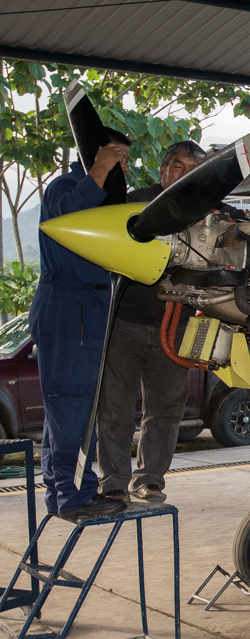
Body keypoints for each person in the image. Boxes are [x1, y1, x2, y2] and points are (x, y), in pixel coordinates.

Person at [97, 140, 205, 506]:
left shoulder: (208, 210)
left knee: (166, 408)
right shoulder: (134, 202)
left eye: (193, 170)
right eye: (177, 166)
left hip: (176, 328)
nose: (183, 175)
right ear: (162, 169)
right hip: (125, 322)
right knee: (115, 407)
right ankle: (113, 481)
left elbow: (239, 231)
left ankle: (150, 481)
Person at [33, 129, 131, 518]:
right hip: (68, 306)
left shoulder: (109, 197)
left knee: (71, 407)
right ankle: (73, 496)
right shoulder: (67, 186)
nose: (124, 165)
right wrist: (98, 172)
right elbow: (70, 217)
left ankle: (66, 491)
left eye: (126, 158)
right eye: (118, 156)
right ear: (98, 153)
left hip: (87, 308)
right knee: (71, 402)